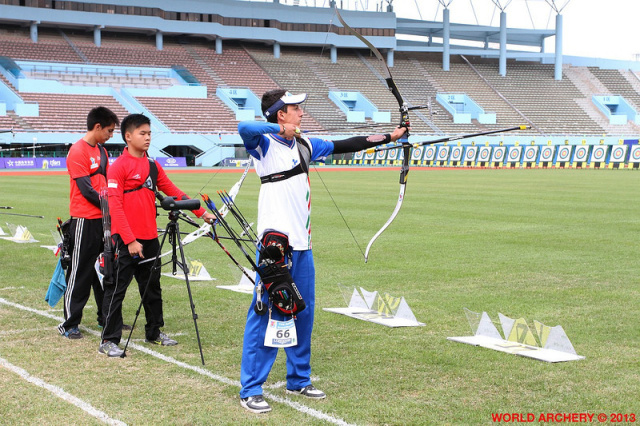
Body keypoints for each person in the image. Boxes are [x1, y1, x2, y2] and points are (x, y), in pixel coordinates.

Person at [237, 89, 408, 413]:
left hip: (304, 244)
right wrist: (278, 130)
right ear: (279, 114)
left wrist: (391, 135)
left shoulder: (305, 144)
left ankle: (298, 379)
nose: (301, 112)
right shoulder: (264, 144)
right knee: (266, 312)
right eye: (294, 108)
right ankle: (251, 388)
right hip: (276, 245)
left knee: (303, 311)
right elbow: (245, 127)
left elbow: (349, 144)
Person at [99, 113, 215, 357]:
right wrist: (130, 240)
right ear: (128, 136)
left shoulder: (152, 165)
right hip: (126, 240)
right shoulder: (118, 167)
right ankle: (109, 339)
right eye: (142, 133)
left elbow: (171, 191)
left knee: (152, 288)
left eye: (149, 133)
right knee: (117, 289)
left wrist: (201, 212)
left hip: (150, 238)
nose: (148, 137)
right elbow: (115, 207)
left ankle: (154, 332)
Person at [58, 106, 119, 339]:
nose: (111, 135)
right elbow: (86, 190)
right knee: (81, 271)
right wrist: (110, 207)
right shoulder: (77, 151)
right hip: (85, 219)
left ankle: (107, 318)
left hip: (104, 219)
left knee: (106, 272)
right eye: (109, 131)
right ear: (97, 127)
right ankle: (70, 323)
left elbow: (109, 182)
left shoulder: (102, 151)